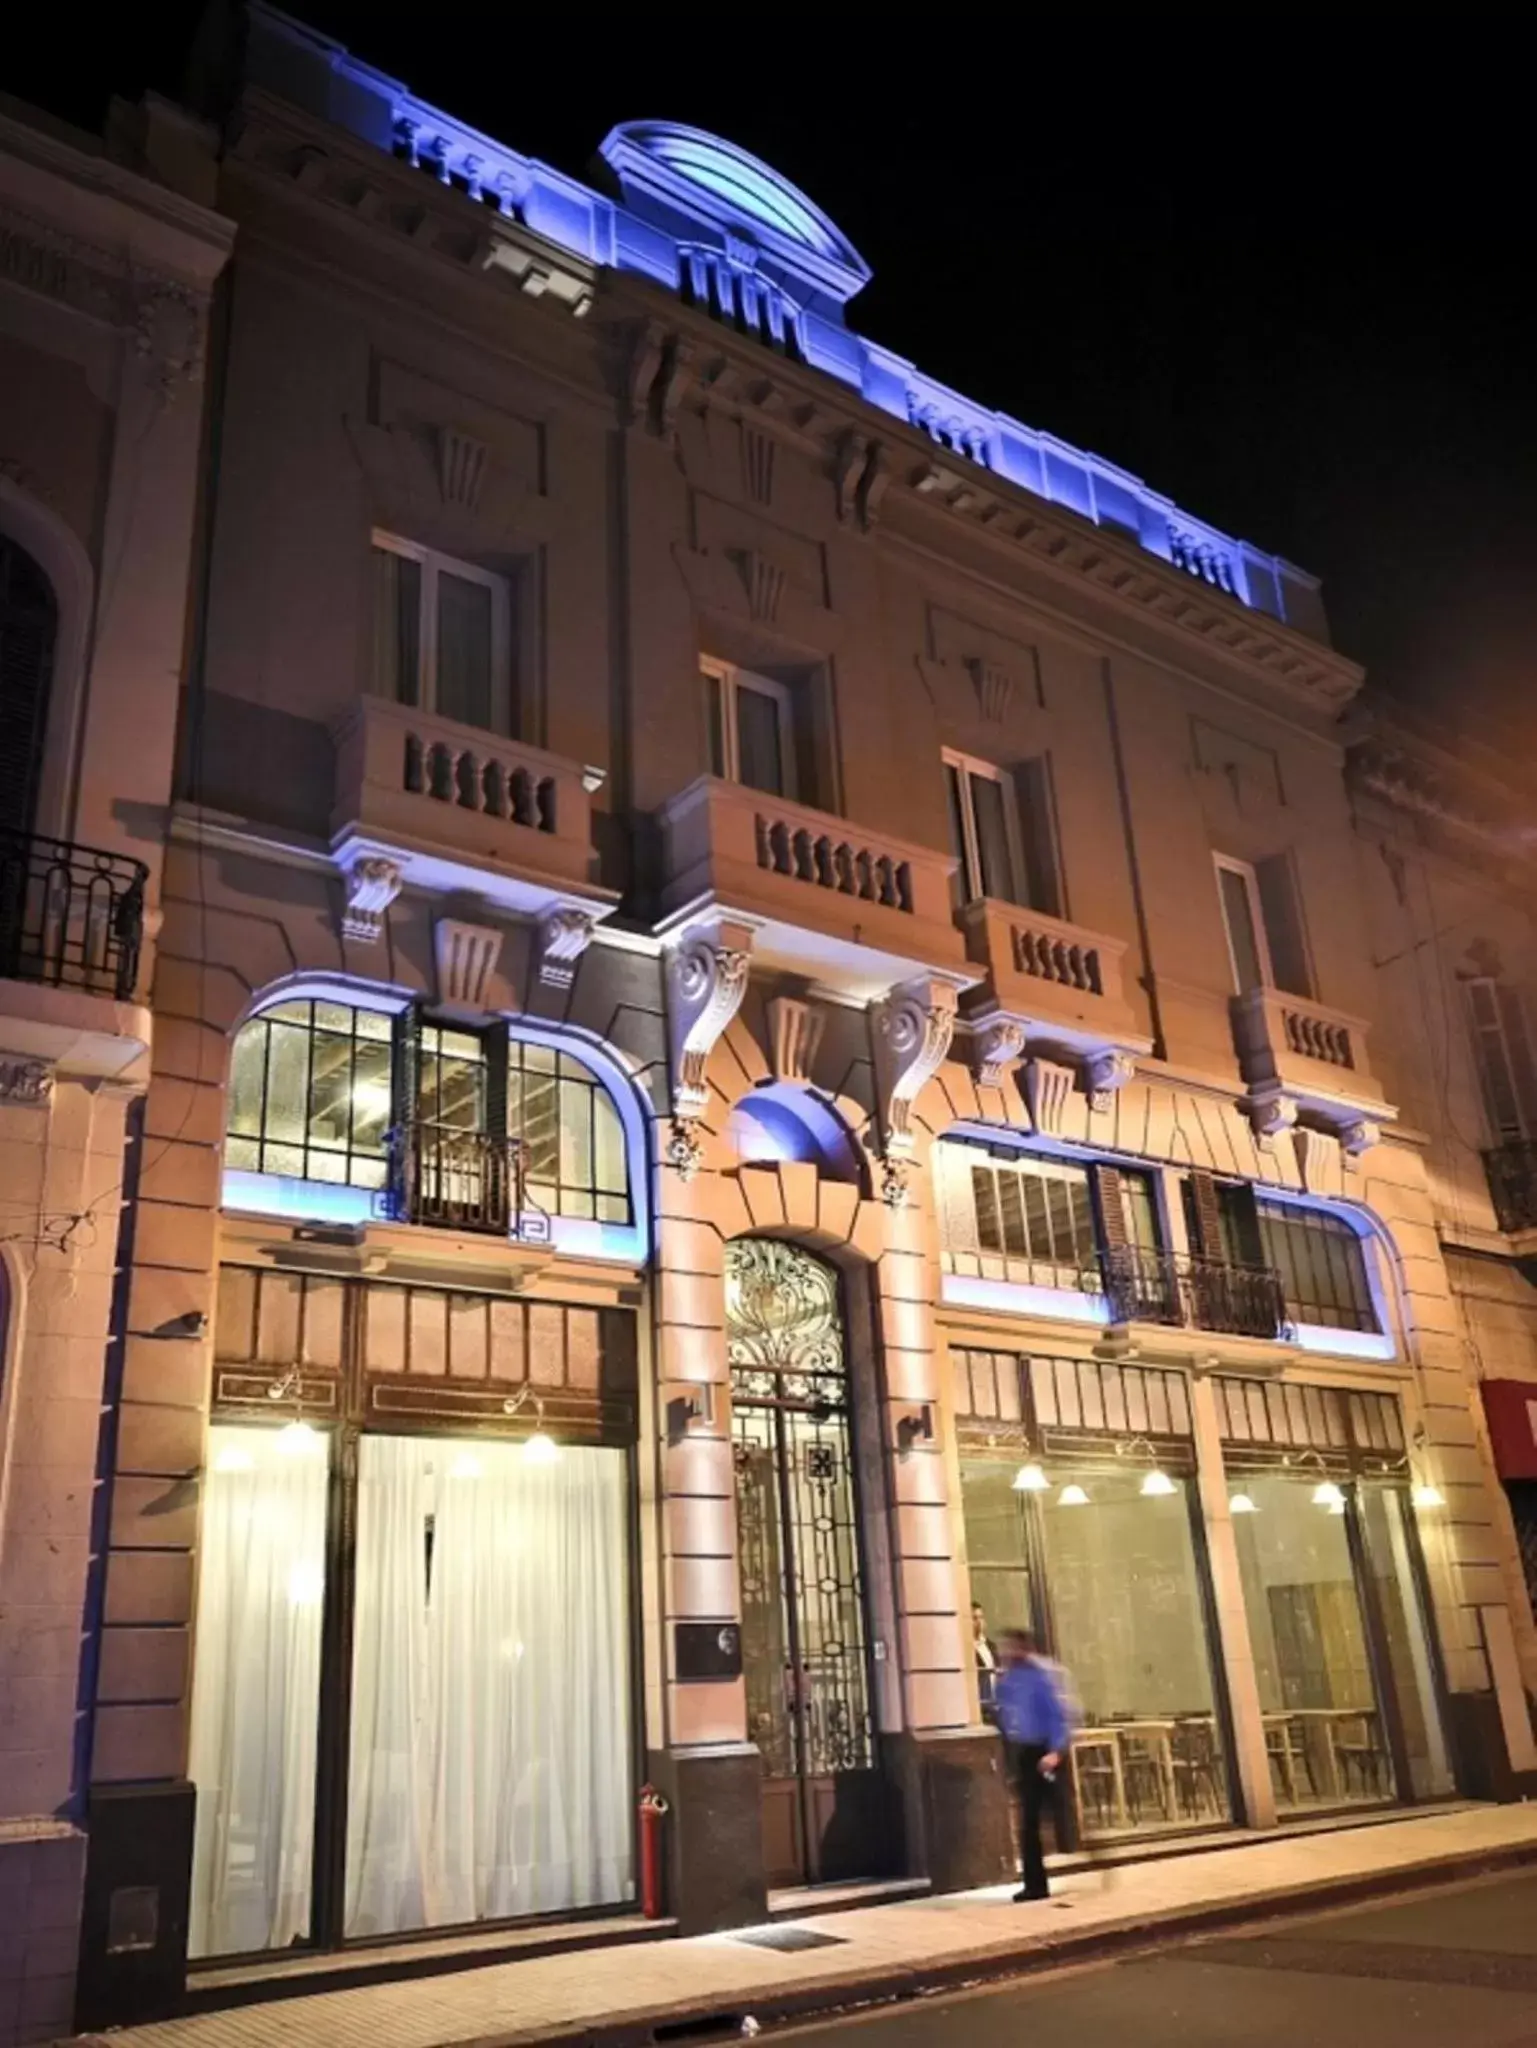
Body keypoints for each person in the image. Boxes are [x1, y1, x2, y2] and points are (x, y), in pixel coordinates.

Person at [993, 1629, 1072, 1902]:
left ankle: (1036, 1885)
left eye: (1011, 1647)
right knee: (1032, 1819)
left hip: (1042, 1752)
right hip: (1023, 1752)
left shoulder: (1041, 1676)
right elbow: (1003, 1711)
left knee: (1030, 1822)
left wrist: (1055, 1752)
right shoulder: (1008, 1679)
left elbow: (1058, 1715)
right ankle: (1035, 1882)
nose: (1006, 1652)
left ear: (1024, 1647)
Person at [972, 1603, 999, 1722]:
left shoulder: (991, 1646)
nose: (979, 1623)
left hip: (996, 1705)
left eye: (981, 1617)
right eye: (974, 1618)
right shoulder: (966, 1649)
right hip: (980, 1707)